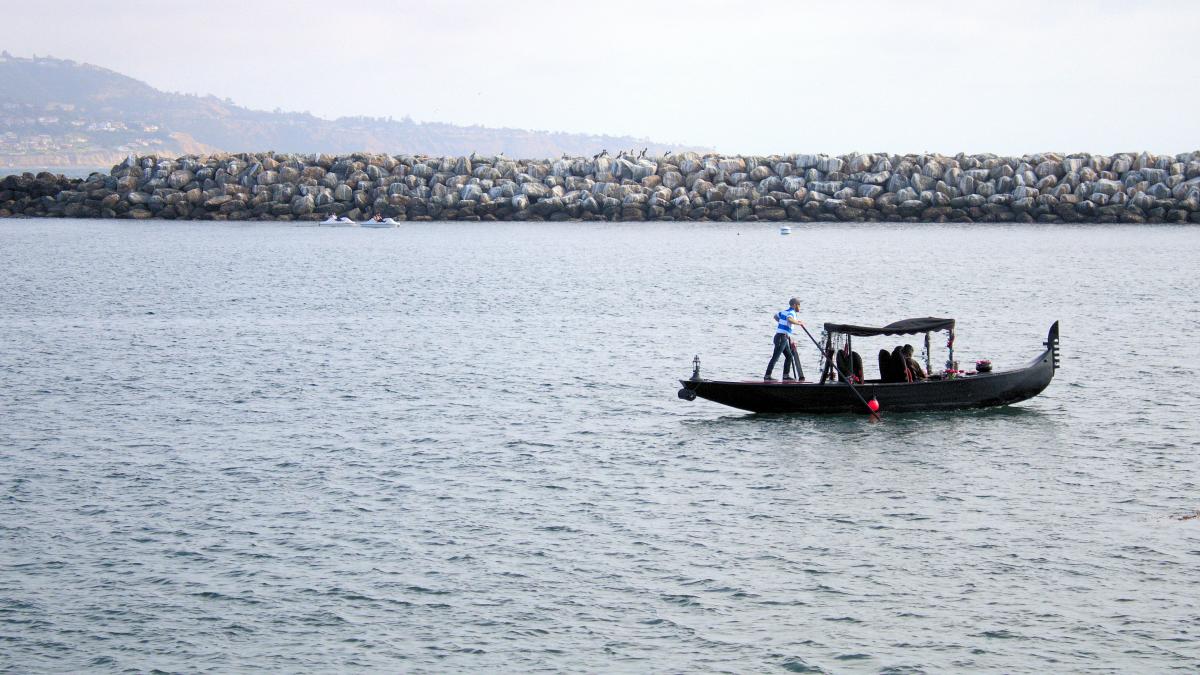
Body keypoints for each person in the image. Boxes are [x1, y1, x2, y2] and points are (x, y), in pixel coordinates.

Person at [764, 297, 805, 381]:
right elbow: (789, 319)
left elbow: (775, 316)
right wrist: (798, 323)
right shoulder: (791, 312)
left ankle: (785, 376)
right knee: (775, 357)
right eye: (799, 305)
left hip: (782, 337)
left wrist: (782, 323)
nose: (799, 307)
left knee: (789, 356)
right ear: (794, 305)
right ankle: (767, 376)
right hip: (781, 338)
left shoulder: (784, 312)